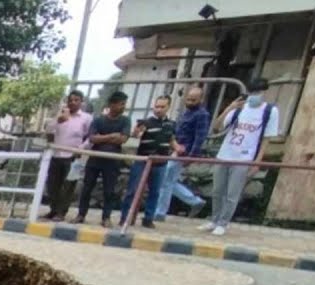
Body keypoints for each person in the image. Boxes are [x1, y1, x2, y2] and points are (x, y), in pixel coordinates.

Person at [199, 78, 280, 237]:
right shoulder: (239, 109)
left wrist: (258, 161)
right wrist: (228, 108)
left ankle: (223, 223)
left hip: (244, 157)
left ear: (264, 93)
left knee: (232, 193)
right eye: (252, 92)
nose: (255, 95)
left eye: (258, 92)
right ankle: (214, 219)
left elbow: (266, 139)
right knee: (217, 190)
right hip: (225, 154)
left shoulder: (269, 111)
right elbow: (216, 127)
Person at [119, 95, 181, 229]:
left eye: (162, 107)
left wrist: (177, 148)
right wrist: (137, 130)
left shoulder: (171, 124)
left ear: (168, 107)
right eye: (157, 106)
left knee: (155, 192)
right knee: (133, 190)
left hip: (160, 162)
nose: (158, 109)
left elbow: (171, 138)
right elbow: (136, 135)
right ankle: (125, 218)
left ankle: (148, 218)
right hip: (143, 160)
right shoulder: (147, 122)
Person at [73, 91, 131, 228]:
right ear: (112, 104)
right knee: (87, 187)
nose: (123, 107)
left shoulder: (125, 120)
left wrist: (102, 137)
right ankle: (81, 214)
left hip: (112, 160)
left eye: (124, 104)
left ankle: (106, 217)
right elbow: (92, 138)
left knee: (109, 190)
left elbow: (123, 138)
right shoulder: (99, 120)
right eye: (121, 104)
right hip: (95, 158)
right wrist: (112, 136)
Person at [154, 86, 209, 220]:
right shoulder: (187, 112)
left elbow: (200, 136)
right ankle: (194, 201)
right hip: (176, 149)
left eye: (193, 100)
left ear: (201, 100)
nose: (190, 102)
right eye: (188, 99)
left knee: (166, 180)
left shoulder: (202, 114)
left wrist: (191, 156)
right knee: (168, 181)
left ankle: (160, 212)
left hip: (184, 151)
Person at [44, 90, 92, 221]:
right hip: (56, 154)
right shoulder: (60, 115)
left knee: (68, 186)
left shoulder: (86, 118)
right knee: (52, 185)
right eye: (70, 100)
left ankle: (61, 213)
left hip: (73, 156)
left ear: (82, 102)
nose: (73, 103)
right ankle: (53, 210)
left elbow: (90, 137)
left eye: (76, 100)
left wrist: (80, 149)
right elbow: (48, 130)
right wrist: (58, 120)